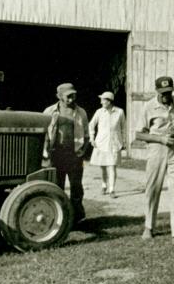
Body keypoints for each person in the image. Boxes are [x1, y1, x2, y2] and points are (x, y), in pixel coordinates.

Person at [136, 75, 174, 245]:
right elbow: (139, 134)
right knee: (153, 188)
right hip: (157, 149)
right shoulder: (149, 106)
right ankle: (149, 227)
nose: (166, 96)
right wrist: (161, 139)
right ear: (157, 91)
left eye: (169, 92)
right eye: (163, 93)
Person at [43, 82, 91, 223]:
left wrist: (82, 151)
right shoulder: (49, 112)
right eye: (68, 96)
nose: (72, 99)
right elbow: (44, 133)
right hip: (56, 155)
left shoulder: (81, 112)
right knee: (57, 187)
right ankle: (60, 218)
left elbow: (87, 135)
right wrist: (46, 152)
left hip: (74, 156)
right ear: (59, 96)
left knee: (76, 187)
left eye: (73, 95)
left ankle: (77, 218)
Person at [88, 91, 127, 197]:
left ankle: (112, 190)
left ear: (109, 101)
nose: (101, 102)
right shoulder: (99, 112)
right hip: (101, 143)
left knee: (112, 166)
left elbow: (124, 128)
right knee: (103, 167)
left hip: (115, 143)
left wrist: (123, 141)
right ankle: (104, 185)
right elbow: (91, 125)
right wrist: (92, 138)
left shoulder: (119, 112)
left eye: (103, 100)